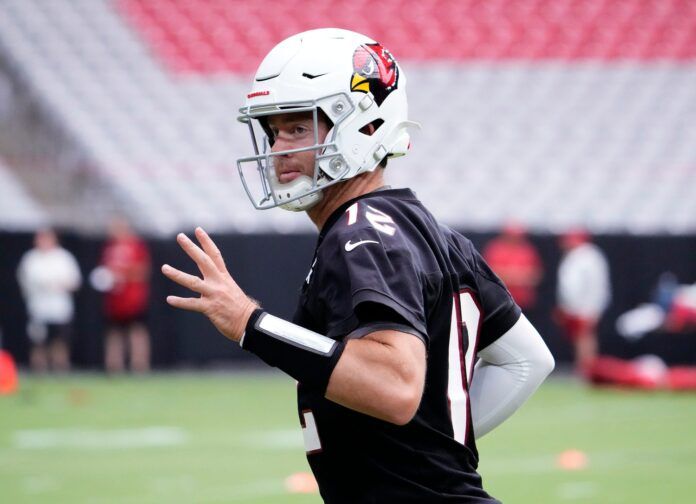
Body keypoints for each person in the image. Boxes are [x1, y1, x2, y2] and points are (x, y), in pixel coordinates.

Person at [162, 28, 554, 503]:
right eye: (273, 130)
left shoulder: (360, 230)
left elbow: (394, 385)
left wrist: (251, 324)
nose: (278, 148)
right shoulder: (433, 233)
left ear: (365, 127)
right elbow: (526, 360)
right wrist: (425, 453)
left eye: (298, 127)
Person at [16, 228, 82, 372]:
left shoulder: (64, 257)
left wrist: (57, 285)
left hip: (59, 308)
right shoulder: (30, 258)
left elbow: (74, 282)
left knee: (60, 339)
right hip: (38, 307)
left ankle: (60, 367)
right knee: (38, 340)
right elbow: (23, 281)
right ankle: (39, 368)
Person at [98, 217, 151, 373]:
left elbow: (143, 271)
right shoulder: (109, 248)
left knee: (136, 332)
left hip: (133, 298)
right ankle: (114, 366)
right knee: (114, 333)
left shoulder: (135, 246)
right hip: (114, 300)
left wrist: (122, 275)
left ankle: (139, 365)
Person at [554, 229, 611, 374]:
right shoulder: (590, 255)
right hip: (586, 305)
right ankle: (585, 368)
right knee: (583, 338)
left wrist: (570, 307)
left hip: (582, 306)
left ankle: (586, 369)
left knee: (584, 338)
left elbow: (573, 286)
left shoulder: (582, 256)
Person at [483, 222, 543, 310]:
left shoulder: (527, 250)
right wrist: (518, 276)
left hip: (524, 303)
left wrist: (511, 275)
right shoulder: (495, 249)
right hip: (500, 301)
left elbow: (536, 275)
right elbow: (488, 274)